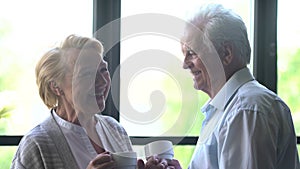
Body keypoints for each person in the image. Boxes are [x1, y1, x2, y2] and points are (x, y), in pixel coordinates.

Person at [142, 4, 300, 169]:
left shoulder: (245, 110)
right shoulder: (231, 109)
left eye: (192, 53)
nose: (185, 65)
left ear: (226, 54)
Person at [11, 34, 133, 169]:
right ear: (56, 87)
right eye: (88, 74)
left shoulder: (115, 130)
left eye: (103, 70)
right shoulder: (36, 145)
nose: (102, 81)